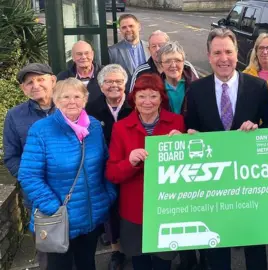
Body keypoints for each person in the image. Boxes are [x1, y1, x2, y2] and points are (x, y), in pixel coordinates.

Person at [185, 28, 268, 270]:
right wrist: (191, 136)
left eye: (229, 52)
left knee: (254, 244)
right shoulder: (196, 90)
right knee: (216, 247)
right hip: (213, 184)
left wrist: (257, 129)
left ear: (237, 53)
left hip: (249, 181)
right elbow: (191, 127)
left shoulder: (258, 88)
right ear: (209, 55)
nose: (224, 58)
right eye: (217, 52)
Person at [17, 78, 117, 270]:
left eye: (77, 96)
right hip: (59, 219)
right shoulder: (41, 130)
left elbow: (106, 162)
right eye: (65, 96)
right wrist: (52, 207)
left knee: (87, 264)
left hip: (91, 216)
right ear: (55, 99)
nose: (72, 101)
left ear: (85, 99)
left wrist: (107, 195)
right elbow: (29, 175)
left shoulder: (94, 126)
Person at [105, 73, 184, 270]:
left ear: (161, 99)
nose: (147, 102)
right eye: (142, 96)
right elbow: (112, 173)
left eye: (153, 96)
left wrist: (184, 146)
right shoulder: (121, 128)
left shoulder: (176, 123)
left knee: (163, 263)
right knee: (139, 263)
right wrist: (130, 162)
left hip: (166, 208)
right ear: (134, 99)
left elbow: (187, 169)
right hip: (134, 210)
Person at [3, 63, 57, 270]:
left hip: (72, 193)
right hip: (38, 197)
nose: (36, 85)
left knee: (79, 250)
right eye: (29, 82)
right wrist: (34, 184)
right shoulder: (15, 116)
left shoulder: (69, 107)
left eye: (40, 79)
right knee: (49, 253)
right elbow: (11, 157)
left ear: (52, 80)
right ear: (23, 89)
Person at [85, 64, 132, 270]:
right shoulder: (91, 110)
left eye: (119, 82)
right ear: (101, 86)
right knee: (111, 211)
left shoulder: (136, 105)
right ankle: (117, 251)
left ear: (125, 84)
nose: (114, 86)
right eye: (109, 82)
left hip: (134, 166)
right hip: (106, 170)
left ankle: (139, 245)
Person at [128, 31, 198, 93]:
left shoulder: (186, 67)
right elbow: (132, 98)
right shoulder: (140, 72)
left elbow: (199, 90)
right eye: (153, 46)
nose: (157, 49)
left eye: (161, 45)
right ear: (149, 50)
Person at [156, 41, 199, 114]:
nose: (173, 65)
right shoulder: (154, 88)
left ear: (183, 62)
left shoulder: (197, 86)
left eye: (177, 60)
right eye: (167, 61)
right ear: (161, 65)